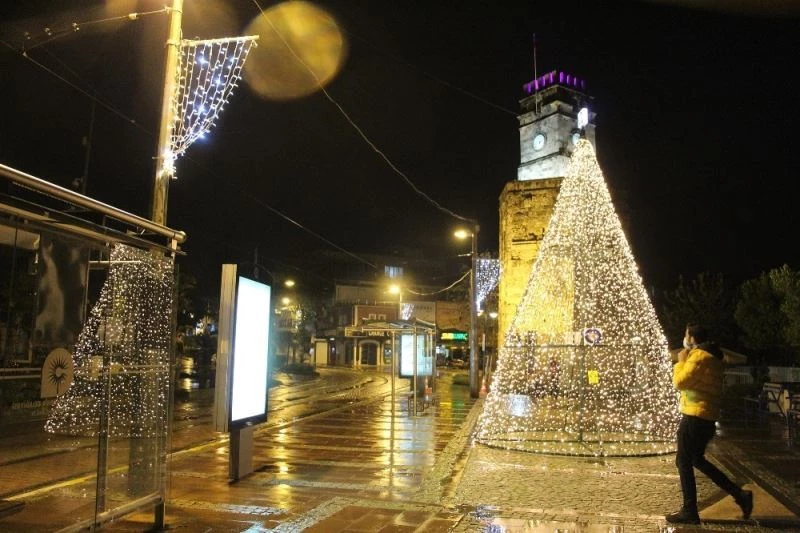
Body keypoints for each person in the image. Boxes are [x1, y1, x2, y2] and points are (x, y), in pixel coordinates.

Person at [666, 323, 753, 524]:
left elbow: (679, 382)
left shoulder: (699, 357)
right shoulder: (713, 356)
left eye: (686, 334)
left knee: (683, 461)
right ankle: (740, 495)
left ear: (692, 337)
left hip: (695, 416)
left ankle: (689, 510)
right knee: (696, 460)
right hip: (706, 417)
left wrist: (680, 362)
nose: (684, 338)